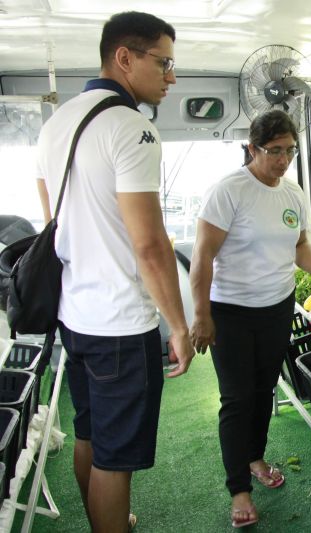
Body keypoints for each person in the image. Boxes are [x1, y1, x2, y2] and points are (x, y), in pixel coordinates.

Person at [35, 11, 194, 533]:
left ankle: (108, 520)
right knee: (114, 459)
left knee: (88, 435)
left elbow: (52, 223)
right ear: (124, 58)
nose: (171, 77)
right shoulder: (132, 128)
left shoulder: (56, 124)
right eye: (164, 63)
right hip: (120, 326)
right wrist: (177, 325)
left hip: (74, 313)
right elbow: (149, 245)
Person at [189, 109, 311, 528]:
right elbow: (201, 258)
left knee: (262, 390)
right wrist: (201, 315)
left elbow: (300, 244)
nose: (283, 160)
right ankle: (239, 488)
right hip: (232, 311)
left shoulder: (292, 193)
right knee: (237, 399)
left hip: (277, 306)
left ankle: (254, 457)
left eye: (290, 150)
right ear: (252, 148)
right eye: (274, 151)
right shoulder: (229, 191)